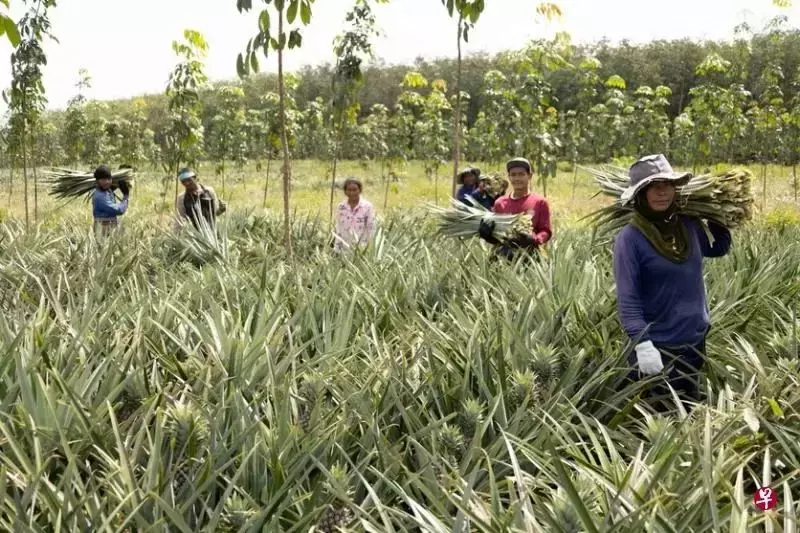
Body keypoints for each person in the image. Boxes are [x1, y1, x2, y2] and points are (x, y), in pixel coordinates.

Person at [613, 154, 732, 413]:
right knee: (658, 421)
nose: (661, 192)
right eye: (653, 187)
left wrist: (718, 214)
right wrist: (642, 345)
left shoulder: (688, 225)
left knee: (687, 411)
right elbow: (628, 300)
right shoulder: (630, 239)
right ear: (640, 194)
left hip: (694, 340)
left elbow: (716, 249)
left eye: (667, 185)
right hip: (658, 346)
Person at [477, 157, 552, 260]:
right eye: (513, 175)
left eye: (521, 174)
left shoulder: (540, 202)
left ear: (529, 176)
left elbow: (546, 231)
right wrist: (487, 235)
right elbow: (496, 235)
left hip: (530, 256)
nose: (517, 178)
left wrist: (534, 239)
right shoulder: (500, 203)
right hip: (504, 254)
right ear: (509, 177)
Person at [333, 177, 376, 252]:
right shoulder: (341, 207)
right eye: (349, 190)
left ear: (360, 190)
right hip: (344, 247)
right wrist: (336, 248)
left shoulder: (367, 207)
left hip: (362, 248)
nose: (352, 193)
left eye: (355, 190)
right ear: (345, 192)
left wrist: (371, 248)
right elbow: (339, 227)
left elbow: (371, 227)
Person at [92, 165, 129, 237]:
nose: (106, 182)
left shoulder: (106, 190)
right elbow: (119, 210)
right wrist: (125, 196)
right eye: (103, 179)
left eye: (109, 179)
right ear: (97, 181)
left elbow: (109, 190)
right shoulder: (100, 197)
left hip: (110, 227)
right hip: (103, 229)